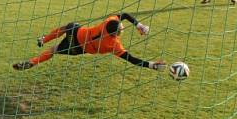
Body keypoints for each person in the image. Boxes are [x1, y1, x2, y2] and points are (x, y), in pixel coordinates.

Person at [12, 13, 164, 72]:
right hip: (79, 49)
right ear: (116, 34)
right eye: (122, 28)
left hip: (78, 33)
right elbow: (132, 59)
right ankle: (33, 61)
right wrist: (151, 65)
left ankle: (43, 39)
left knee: (67, 26)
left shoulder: (107, 22)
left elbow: (123, 15)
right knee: (54, 50)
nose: (123, 27)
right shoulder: (113, 45)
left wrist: (138, 24)